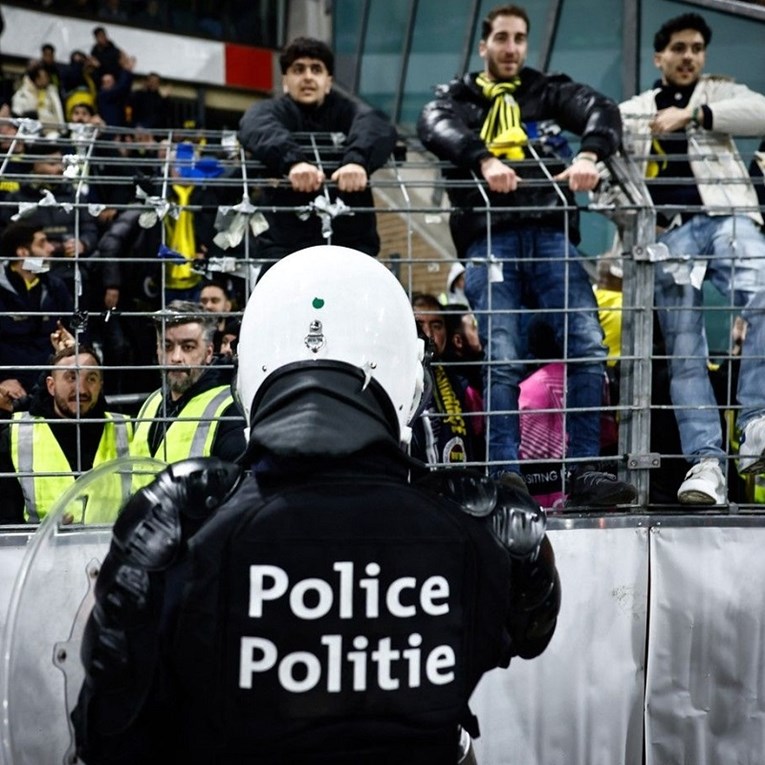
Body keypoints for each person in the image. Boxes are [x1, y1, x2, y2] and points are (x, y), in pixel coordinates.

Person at [72, 244, 561, 764]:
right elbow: (528, 634)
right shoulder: (487, 529)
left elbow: (108, 733)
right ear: (409, 379)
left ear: (249, 371)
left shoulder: (181, 523)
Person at [417, 4, 637, 507]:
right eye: (501, 38)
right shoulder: (459, 95)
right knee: (502, 356)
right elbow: (433, 123)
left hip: (551, 232)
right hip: (489, 236)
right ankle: (504, 475)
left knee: (585, 345)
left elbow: (602, 109)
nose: (511, 48)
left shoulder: (546, 89)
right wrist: (483, 158)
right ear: (483, 46)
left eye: (519, 39)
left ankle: (582, 473)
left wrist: (590, 153)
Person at [617, 12, 765, 504]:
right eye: (679, 48)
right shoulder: (634, 110)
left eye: (697, 48)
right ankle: (706, 466)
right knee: (685, 353)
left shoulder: (718, 94)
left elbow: (761, 111)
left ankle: (756, 424)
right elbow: (606, 171)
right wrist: (636, 221)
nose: (689, 57)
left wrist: (695, 116)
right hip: (670, 235)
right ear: (659, 56)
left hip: (727, 218)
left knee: (763, 294)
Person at [238, 36, 397, 273]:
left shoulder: (348, 110)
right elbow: (255, 125)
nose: (308, 77)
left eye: (316, 69)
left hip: (350, 244)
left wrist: (357, 162)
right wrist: (293, 162)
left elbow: (376, 125)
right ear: (285, 80)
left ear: (328, 80)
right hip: (284, 247)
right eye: (298, 69)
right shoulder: (269, 111)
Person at [0, 344, 132, 524]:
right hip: (39, 549)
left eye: (91, 379)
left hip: (113, 548)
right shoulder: (15, 435)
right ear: (51, 386)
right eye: (71, 378)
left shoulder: (128, 429)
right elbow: (7, 520)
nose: (81, 390)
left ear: (100, 386)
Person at [130, 300, 246, 463]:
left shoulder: (229, 410)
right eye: (167, 346)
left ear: (208, 353)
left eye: (188, 347)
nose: (176, 358)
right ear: (157, 348)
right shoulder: (152, 401)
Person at [0, 221, 75, 396]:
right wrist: (2, 379)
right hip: (9, 386)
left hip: (51, 383)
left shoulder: (55, 286)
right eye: (42, 243)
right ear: (23, 252)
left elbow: (75, 332)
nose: (51, 248)